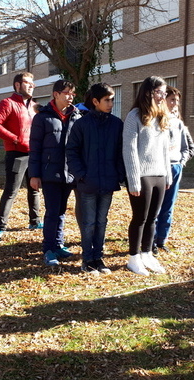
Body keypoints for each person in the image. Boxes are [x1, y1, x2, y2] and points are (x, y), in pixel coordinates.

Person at [66, 83, 125, 275]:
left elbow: (120, 152)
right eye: (107, 100)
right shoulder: (81, 124)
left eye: (112, 99)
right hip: (87, 183)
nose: (111, 103)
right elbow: (71, 151)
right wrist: (81, 174)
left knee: (102, 221)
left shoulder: (117, 124)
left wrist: (119, 175)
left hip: (108, 182)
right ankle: (87, 259)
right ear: (95, 101)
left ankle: (99, 258)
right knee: (89, 222)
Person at [122, 76, 172, 276]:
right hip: (141, 176)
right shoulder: (134, 116)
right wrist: (133, 179)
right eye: (160, 92)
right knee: (140, 218)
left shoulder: (162, 116)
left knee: (153, 218)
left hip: (159, 174)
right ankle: (133, 258)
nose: (163, 96)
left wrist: (167, 174)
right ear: (148, 92)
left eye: (164, 92)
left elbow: (165, 150)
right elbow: (129, 149)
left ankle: (146, 254)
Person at [28, 79, 81, 266]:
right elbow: (34, 148)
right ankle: (48, 249)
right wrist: (34, 175)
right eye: (66, 93)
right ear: (56, 94)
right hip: (49, 173)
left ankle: (58, 244)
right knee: (52, 212)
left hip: (69, 174)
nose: (70, 97)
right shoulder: (42, 117)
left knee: (61, 211)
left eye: (72, 94)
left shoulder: (76, 116)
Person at [0, 72, 42, 245]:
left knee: (34, 189)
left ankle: (35, 222)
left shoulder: (34, 106)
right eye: (28, 83)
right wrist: (14, 138)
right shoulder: (7, 103)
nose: (32, 86)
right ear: (17, 85)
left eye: (33, 83)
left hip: (34, 154)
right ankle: (0, 228)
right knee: (11, 191)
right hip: (16, 154)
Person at [154, 86, 194, 255]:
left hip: (175, 166)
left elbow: (187, 147)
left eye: (177, 101)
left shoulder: (178, 123)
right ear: (163, 100)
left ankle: (162, 239)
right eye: (171, 100)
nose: (174, 104)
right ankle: (151, 241)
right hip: (159, 169)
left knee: (168, 206)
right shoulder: (155, 120)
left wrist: (181, 161)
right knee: (155, 206)